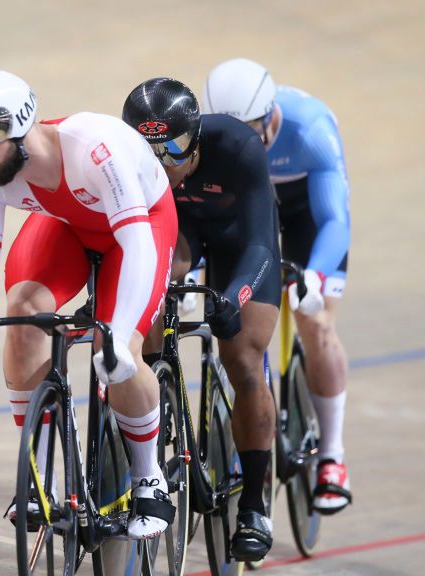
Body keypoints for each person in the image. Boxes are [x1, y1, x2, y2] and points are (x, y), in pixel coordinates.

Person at [0, 70, 178, 540]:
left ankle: (149, 477)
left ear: (20, 119)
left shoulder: (95, 149)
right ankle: (42, 481)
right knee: (23, 309)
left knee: (120, 347)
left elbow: (135, 245)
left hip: (139, 228)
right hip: (68, 224)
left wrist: (119, 335)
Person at [123, 78, 282, 562]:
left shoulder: (237, 146)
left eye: (174, 149)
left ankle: (254, 505)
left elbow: (260, 244)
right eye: (150, 151)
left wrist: (234, 298)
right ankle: (158, 394)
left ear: (196, 137)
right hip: (182, 231)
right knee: (151, 289)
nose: (162, 162)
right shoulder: (133, 159)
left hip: (241, 240)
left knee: (244, 357)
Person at [205, 58, 354, 515]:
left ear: (271, 117)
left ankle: (332, 455)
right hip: (245, 208)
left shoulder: (309, 131)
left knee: (314, 320)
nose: (243, 144)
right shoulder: (215, 137)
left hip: (302, 205)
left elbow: (333, 219)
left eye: (252, 132)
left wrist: (315, 276)